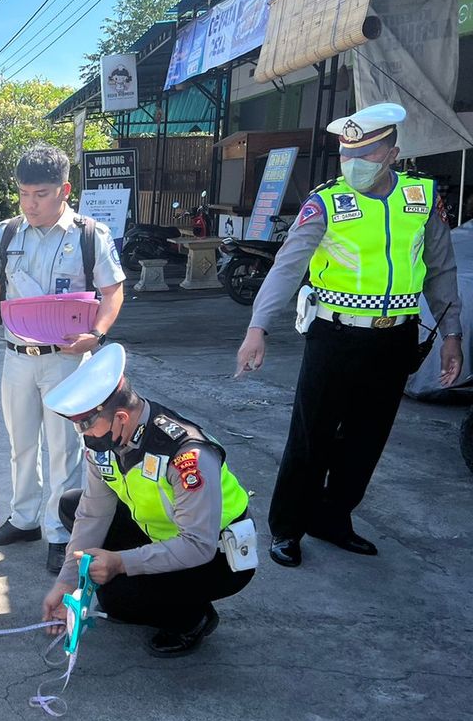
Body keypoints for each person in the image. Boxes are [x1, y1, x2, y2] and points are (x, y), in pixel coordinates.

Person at [235, 103, 464, 568]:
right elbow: (287, 267)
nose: (352, 163)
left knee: (367, 439)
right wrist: (258, 327)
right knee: (311, 436)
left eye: (365, 154)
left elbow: (441, 269)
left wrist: (452, 334)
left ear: (392, 154)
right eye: (346, 154)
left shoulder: (421, 197)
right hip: (334, 336)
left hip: (395, 339)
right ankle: (288, 527)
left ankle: (333, 518)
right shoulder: (327, 202)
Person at [0, 144, 127, 574]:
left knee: (64, 449)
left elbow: (113, 291)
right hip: (17, 359)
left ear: (64, 190)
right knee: (20, 443)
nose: (30, 203)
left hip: (67, 361)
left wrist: (97, 334)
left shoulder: (89, 235)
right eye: (23, 194)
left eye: (40, 194)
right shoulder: (8, 234)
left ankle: (60, 532)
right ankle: (23, 519)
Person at [40, 344, 257, 657]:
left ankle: (194, 618)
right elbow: (93, 513)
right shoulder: (106, 442)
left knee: (121, 598)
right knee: (72, 506)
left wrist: (121, 563)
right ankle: (151, 591)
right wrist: (66, 582)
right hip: (162, 534)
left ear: (121, 417)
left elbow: (198, 544)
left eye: (86, 425)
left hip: (217, 556)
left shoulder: (186, 455)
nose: (83, 435)